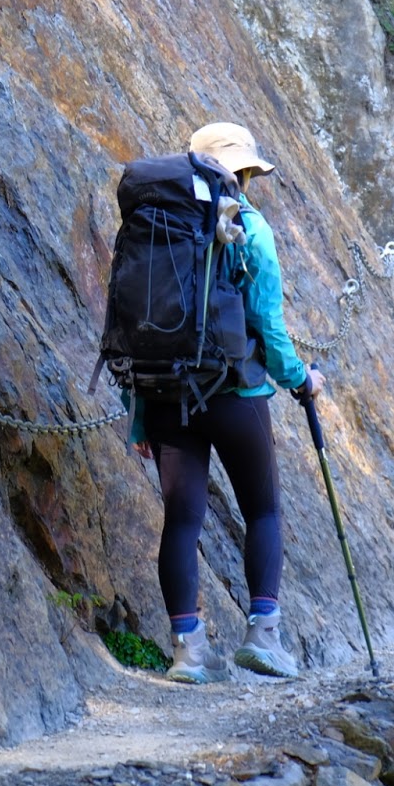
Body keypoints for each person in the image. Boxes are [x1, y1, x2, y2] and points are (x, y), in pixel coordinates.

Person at [129, 122, 323, 683]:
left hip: (166, 394)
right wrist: (301, 379)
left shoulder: (156, 224)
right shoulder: (251, 228)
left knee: (181, 521)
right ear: (244, 173)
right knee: (262, 511)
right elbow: (268, 324)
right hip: (236, 394)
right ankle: (263, 637)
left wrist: (139, 416)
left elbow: (138, 322)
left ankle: (187, 652)